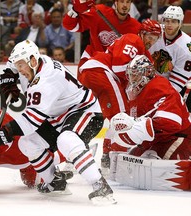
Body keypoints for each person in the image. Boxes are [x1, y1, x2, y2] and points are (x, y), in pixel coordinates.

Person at [0, 40, 116, 205]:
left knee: (66, 140)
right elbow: (12, 63)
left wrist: (4, 133)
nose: (20, 70)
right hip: (58, 116)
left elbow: (32, 121)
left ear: (32, 61)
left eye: (21, 66)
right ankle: (55, 182)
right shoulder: (35, 61)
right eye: (18, 66)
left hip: (85, 111)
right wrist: (9, 75)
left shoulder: (47, 80)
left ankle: (100, 185)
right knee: (27, 143)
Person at [77, 19, 162, 174]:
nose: (151, 41)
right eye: (150, 36)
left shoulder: (144, 53)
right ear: (142, 33)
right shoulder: (133, 39)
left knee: (92, 117)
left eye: (155, 38)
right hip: (101, 71)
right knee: (122, 116)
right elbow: (118, 67)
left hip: (91, 74)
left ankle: (76, 154)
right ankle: (110, 156)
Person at [0, 89, 71, 193]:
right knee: (29, 181)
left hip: (25, 154)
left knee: (45, 166)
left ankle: (70, 154)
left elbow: (5, 140)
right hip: (14, 158)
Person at [108, 55, 191, 191]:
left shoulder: (159, 87)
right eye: (130, 75)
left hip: (179, 137)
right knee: (132, 160)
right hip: (159, 138)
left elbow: (171, 123)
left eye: (135, 75)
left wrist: (137, 125)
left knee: (165, 169)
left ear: (146, 73)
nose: (131, 79)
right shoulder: (138, 91)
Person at [149, 6, 191, 113]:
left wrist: (156, 99)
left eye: (173, 21)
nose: (169, 24)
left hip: (175, 86)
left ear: (180, 23)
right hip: (150, 79)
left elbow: (175, 86)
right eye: (167, 21)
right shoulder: (154, 33)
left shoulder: (187, 47)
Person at [63, 0, 141, 57]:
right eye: (122, 1)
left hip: (116, 68)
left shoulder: (135, 26)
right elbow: (69, 25)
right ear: (116, 3)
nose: (125, 5)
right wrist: (74, 10)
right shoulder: (99, 13)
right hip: (94, 62)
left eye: (128, 2)